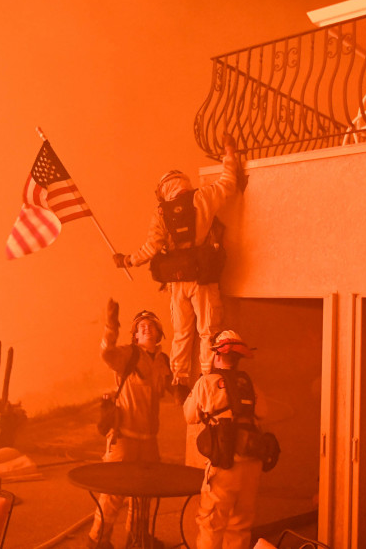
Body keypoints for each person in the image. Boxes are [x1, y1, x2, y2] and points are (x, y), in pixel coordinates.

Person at [113, 134, 241, 401]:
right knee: (208, 330)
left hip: (176, 282)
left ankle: (180, 380)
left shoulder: (161, 213)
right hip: (203, 278)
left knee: (182, 332)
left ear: (163, 190)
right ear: (184, 183)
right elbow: (229, 183)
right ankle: (207, 377)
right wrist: (229, 152)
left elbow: (149, 249)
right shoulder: (204, 196)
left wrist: (127, 260)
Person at [88, 299, 172, 549]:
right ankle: (97, 541)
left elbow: (169, 388)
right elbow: (106, 353)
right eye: (141, 326)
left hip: (148, 441)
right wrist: (111, 325)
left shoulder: (162, 361)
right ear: (135, 336)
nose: (146, 328)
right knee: (114, 492)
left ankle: (137, 540)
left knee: (143, 494)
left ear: (159, 334)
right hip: (123, 437)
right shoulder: (128, 354)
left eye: (151, 325)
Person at [183, 330, 266, 549]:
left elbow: (190, 416)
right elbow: (264, 413)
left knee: (212, 524)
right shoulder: (250, 384)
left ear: (216, 355)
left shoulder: (206, 383)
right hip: (251, 466)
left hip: (225, 465)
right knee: (240, 525)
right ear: (238, 357)